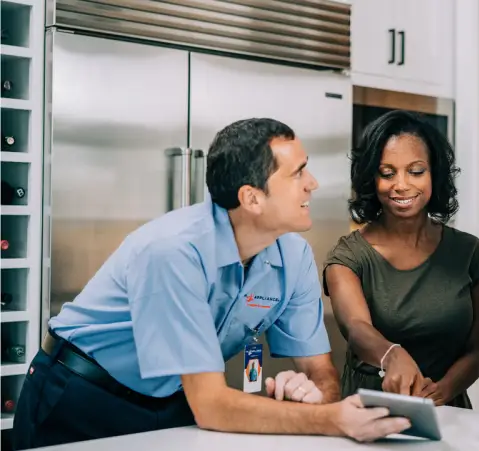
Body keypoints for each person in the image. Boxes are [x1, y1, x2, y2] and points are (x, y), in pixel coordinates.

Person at [12, 118, 412, 449]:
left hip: (179, 399)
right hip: (82, 395)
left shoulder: (294, 256)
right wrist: (330, 420)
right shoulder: (173, 252)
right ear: (252, 199)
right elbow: (213, 406)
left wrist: (313, 396)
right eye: (298, 173)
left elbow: (320, 371)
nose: (313, 183)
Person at [323, 110, 479, 408]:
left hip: (448, 410)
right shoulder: (348, 256)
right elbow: (356, 328)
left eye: (416, 171)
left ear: (434, 174)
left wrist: (440, 392)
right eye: (387, 173)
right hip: (369, 409)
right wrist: (392, 355)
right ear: (371, 178)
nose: (401, 184)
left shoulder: (469, 253)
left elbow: (477, 353)